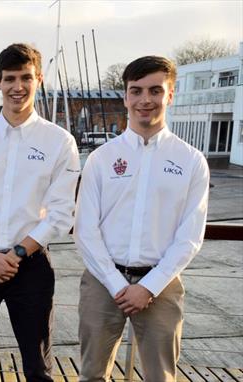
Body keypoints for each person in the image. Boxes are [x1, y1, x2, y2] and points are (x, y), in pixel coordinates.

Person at [0, 43, 80, 382]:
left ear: (39, 79)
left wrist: (17, 253)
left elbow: (61, 213)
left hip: (32, 265)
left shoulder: (59, 141)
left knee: (38, 369)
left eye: (26, 77)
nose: (17, 86)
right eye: (9, 78)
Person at [75, 55, 209, 381]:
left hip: (160, 285)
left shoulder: (191, 161)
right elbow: (85, 229)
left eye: (155, 90)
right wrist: (117, 283)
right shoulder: (101, 159)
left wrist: (148, 287)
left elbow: (190, 236)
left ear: (170, 94)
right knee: (91, 374)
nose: (145, 100)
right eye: (136, 91)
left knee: (160, 377)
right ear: (125, 96)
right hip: (103, 282)